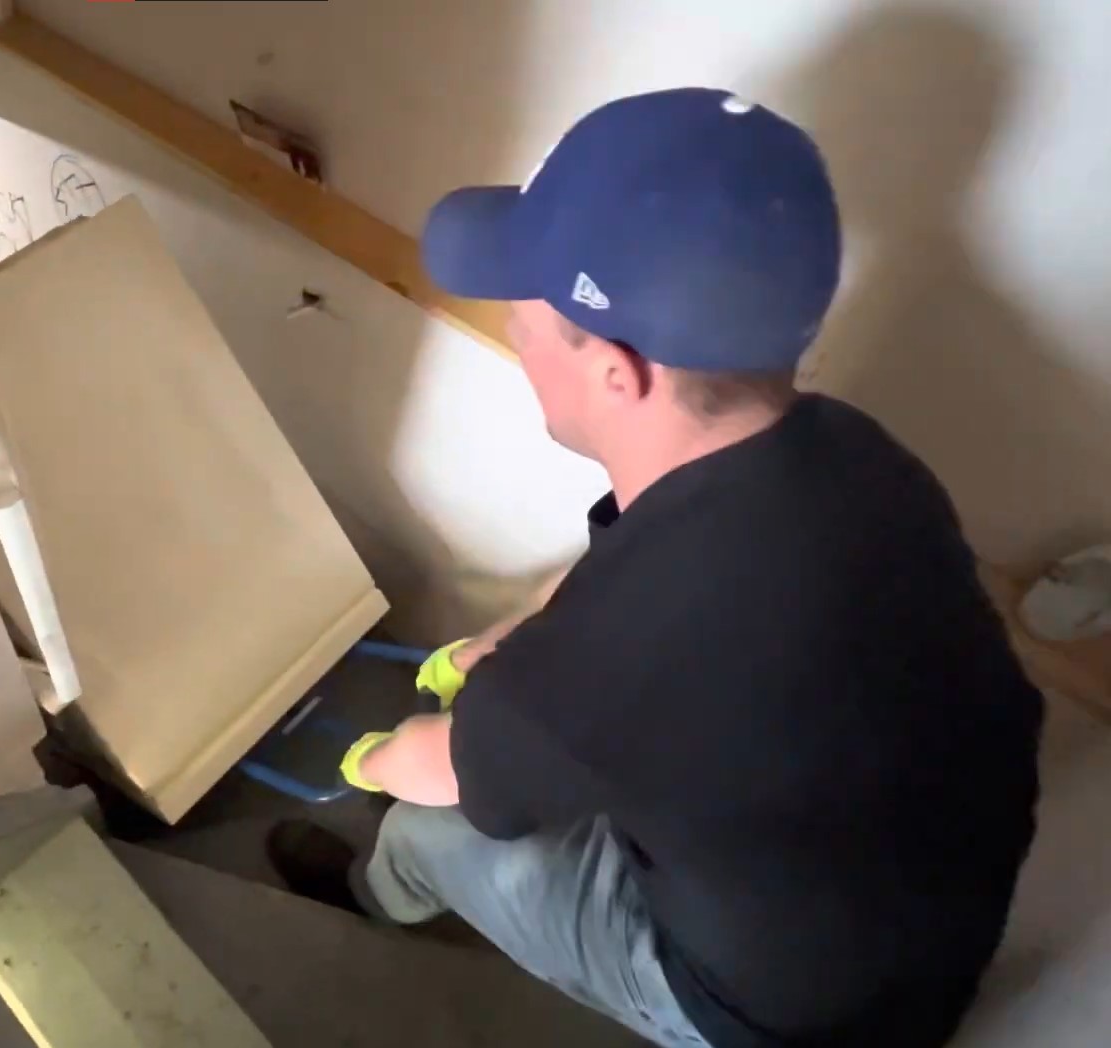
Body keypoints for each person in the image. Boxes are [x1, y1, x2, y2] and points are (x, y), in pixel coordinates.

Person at [267, 88, 1043, 1048]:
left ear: (616, 371)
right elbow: (621, 588)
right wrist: (495, 654)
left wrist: (372, 758)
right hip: (927, 914)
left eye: (526, 315)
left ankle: (365, 899)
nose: (514, 331)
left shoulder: (612, 666)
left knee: (420, 831)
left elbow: (452, 769)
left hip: (789, 1015)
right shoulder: (855, 454)